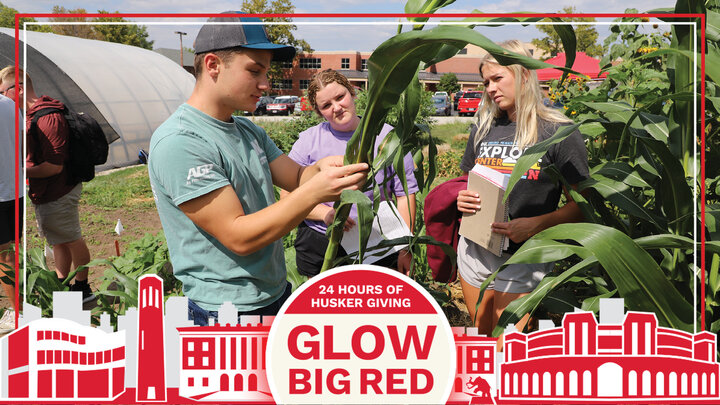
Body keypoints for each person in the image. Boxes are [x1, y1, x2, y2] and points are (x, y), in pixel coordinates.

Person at [148, 13, 368, 326]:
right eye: (254, 71)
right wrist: (315, 192)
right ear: (213, 65)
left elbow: (294, 176)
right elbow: (239, 236)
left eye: (265, 72)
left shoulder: (247, 131)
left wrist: (321, 168)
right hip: (226, 311)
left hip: (274, 292)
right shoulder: (181, 142)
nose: (265, 84)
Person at [455, 40, 589, 337]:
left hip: (524, 255)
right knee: (482, 337)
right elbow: (468, 182)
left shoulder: (557, 132)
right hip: (476, 249)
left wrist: (534, 225)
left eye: (497, 78)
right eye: (486, 81)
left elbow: (582, 206)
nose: (490, 88)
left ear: (524, 76)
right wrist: (462, 199)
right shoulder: (483, 128)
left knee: (509, 344)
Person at [283, 69, 418, 277]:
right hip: (320, 242)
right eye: (326, 105)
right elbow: (288, 197)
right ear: (319, 112)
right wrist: (325, 215)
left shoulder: (388, 138)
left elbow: (404, 194)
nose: (336, 108)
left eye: (340, 97)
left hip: (376, 242)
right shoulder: (308, 143)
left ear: (352, 93)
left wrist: (404, 247)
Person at [0, 66, 94, 303]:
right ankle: (63, 284)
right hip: (47, 191)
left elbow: (54, 166)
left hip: (60, 189)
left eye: (3, 91)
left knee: (71, 236)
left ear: (18, 89)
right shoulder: (29, 115)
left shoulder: (47, 118)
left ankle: (82, 287)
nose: (3, 97)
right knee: (58, 239)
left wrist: (20, 172)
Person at [0, 93, 22, 331]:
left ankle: (18, 313)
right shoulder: (10, 105)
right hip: (15, 189)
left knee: (5, 257)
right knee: (12, 253)